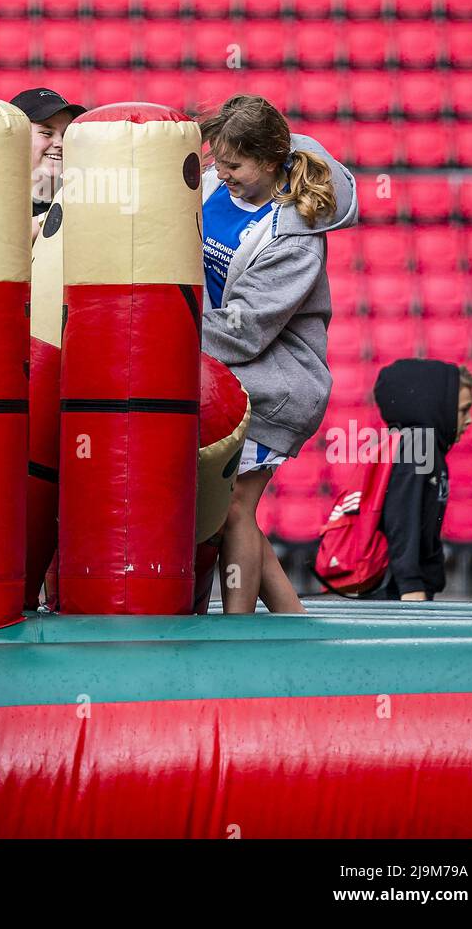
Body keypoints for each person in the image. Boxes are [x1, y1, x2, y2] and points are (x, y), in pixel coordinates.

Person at [198, 94, 359, 615]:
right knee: (227, 511)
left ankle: (239, 629)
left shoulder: (293, 236)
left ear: (269, 162)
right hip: (226, 376)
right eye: (217, 159)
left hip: (273, 386)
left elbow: (244, 331)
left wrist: (162, 335)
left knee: (234, 510)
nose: (221, 172)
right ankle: (293, 618)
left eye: (234, 164)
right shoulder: (212, 185)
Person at [370, 359, 472, 601]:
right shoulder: (418, 448)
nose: (469, 420)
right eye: (463, 410)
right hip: (398, 596)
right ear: (439, 406)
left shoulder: (431, 449)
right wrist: (410, 586)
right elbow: (401, 520)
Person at [9, 87, 85, 242]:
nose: (60, 143)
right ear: (16, 137)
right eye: (46, 133)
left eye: (66, 135)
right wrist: (55, 218)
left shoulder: (84, 194)